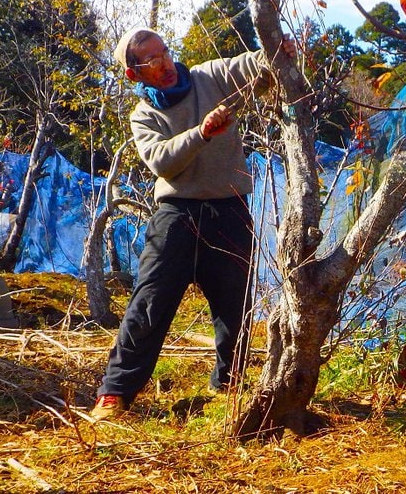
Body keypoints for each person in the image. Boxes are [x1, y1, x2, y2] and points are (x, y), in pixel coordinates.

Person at [92, 28, 286, 420]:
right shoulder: (144, 115)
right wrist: (201, 134)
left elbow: (253, 66)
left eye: (163, 52)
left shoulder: (209, 76)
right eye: (150, 61)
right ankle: (116, 392)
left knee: (235, 304)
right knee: (149, 302)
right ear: (134, 74)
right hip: (176, 215)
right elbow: (163, 162)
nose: (163, 64)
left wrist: (277, 50)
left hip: (230, 208)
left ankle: (228, 383)